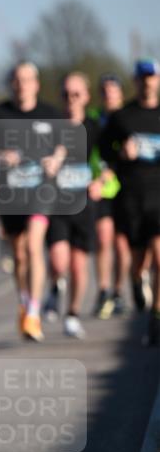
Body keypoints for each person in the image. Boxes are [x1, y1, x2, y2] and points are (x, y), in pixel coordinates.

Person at [0, 63, 65, 342]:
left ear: (36, 84)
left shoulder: (51, 114)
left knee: (34, 243)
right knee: (19, 253)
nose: (22, 84)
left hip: (41, 191)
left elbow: (65, 144)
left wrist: (56, 160)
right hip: (10, 193)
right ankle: (25, 301)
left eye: (27, 79)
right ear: (11, 83)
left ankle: (34, 313)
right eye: (17, 79)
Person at [100, 58, 160, 346]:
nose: (147, 81)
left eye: (152, 76)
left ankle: (156, 317)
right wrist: (120, 155)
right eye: (142, 77)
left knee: (159, 257)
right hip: (132, 197)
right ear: (135, 81)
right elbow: (103, 151)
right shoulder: (123, 117)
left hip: (158, 195)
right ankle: (136, 281)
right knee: (138, 263)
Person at [44, 73, 99, 339]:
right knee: (58, 261)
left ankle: (73, 314)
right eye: (66, 94)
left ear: (86, 97)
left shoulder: (95, 127)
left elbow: (109, 161)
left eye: (76, 94)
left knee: (79, 266)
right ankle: (55, 288)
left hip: (85, 205)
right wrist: (48, 163)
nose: (71, 100)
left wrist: (102, 179)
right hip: (57, 204)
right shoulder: (52, 127)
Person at [91, 74, 129, 318]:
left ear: (121, 93)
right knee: (104, 240)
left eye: (113, 91)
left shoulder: (129, 117)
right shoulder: (94, 119)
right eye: (105, 91)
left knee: (122, 244)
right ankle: (103, 290)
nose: (109, 95)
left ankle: (118, 292)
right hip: (101, 188)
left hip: (126, 187)